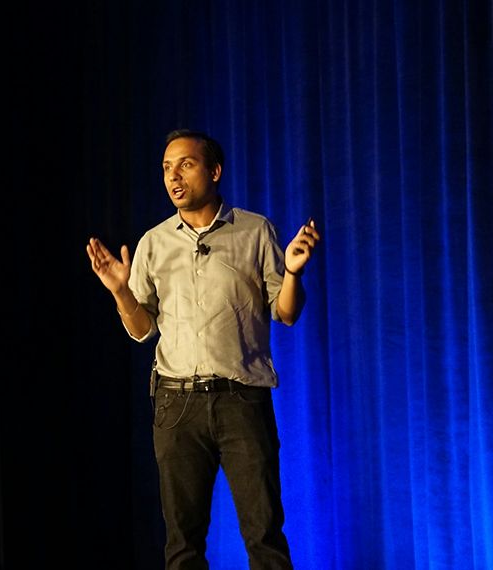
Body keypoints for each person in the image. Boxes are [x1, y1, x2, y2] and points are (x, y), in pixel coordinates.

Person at [86, 130, 320, 570]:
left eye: (185, 165)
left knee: (264, 535)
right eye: (166, 168)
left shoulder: (255, 231)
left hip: (242, 401)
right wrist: (120, 292)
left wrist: (292, 272)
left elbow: (286, 313)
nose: (173, 176)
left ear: (214, 171)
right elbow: (142, 330)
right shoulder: (153, 242)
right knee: (182, 544)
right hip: (176, 405)